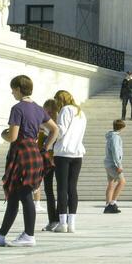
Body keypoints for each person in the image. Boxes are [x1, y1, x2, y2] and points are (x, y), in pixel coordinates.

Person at [0, 75, 46, 247]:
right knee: (15, 195)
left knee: (22, 194)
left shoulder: (17, 108)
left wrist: (3, 134)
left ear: (18, 89)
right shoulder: (38, 108)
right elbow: (55, 129)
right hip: (34, 152)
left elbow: (12, 136)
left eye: (13, 89)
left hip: (21, 152)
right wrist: (46, 147)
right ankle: (1, 235)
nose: (12, 92)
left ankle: (29, 235)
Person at [47, 90, 86, 232]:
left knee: (62, 188)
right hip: (77, 153)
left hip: (63, 153)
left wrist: (46, 129)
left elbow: (60, 131)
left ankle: (63, 223)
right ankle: (72, 223)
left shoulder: (65, 110)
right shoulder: (80, 112)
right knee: (72, 188)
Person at [37, 100, 60, 226]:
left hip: (55, 158)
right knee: (50, 189)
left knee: (57, 190)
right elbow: (39, 143)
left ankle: (57, 219)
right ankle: (54, 220)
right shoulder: (44, 124)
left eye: (49, 111)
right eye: (45, 111)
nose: (47, 113)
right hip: (49, 159)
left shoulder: (57, 124)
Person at [103, 120, 126, 213]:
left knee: (111, 184)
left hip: (108, 163)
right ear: (122, 127)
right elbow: (116, 151)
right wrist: (119, 165)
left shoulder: (110, 136)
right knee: (122, 182)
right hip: (113, 164)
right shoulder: (115, 137)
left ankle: (108, 205)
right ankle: (112, 203)